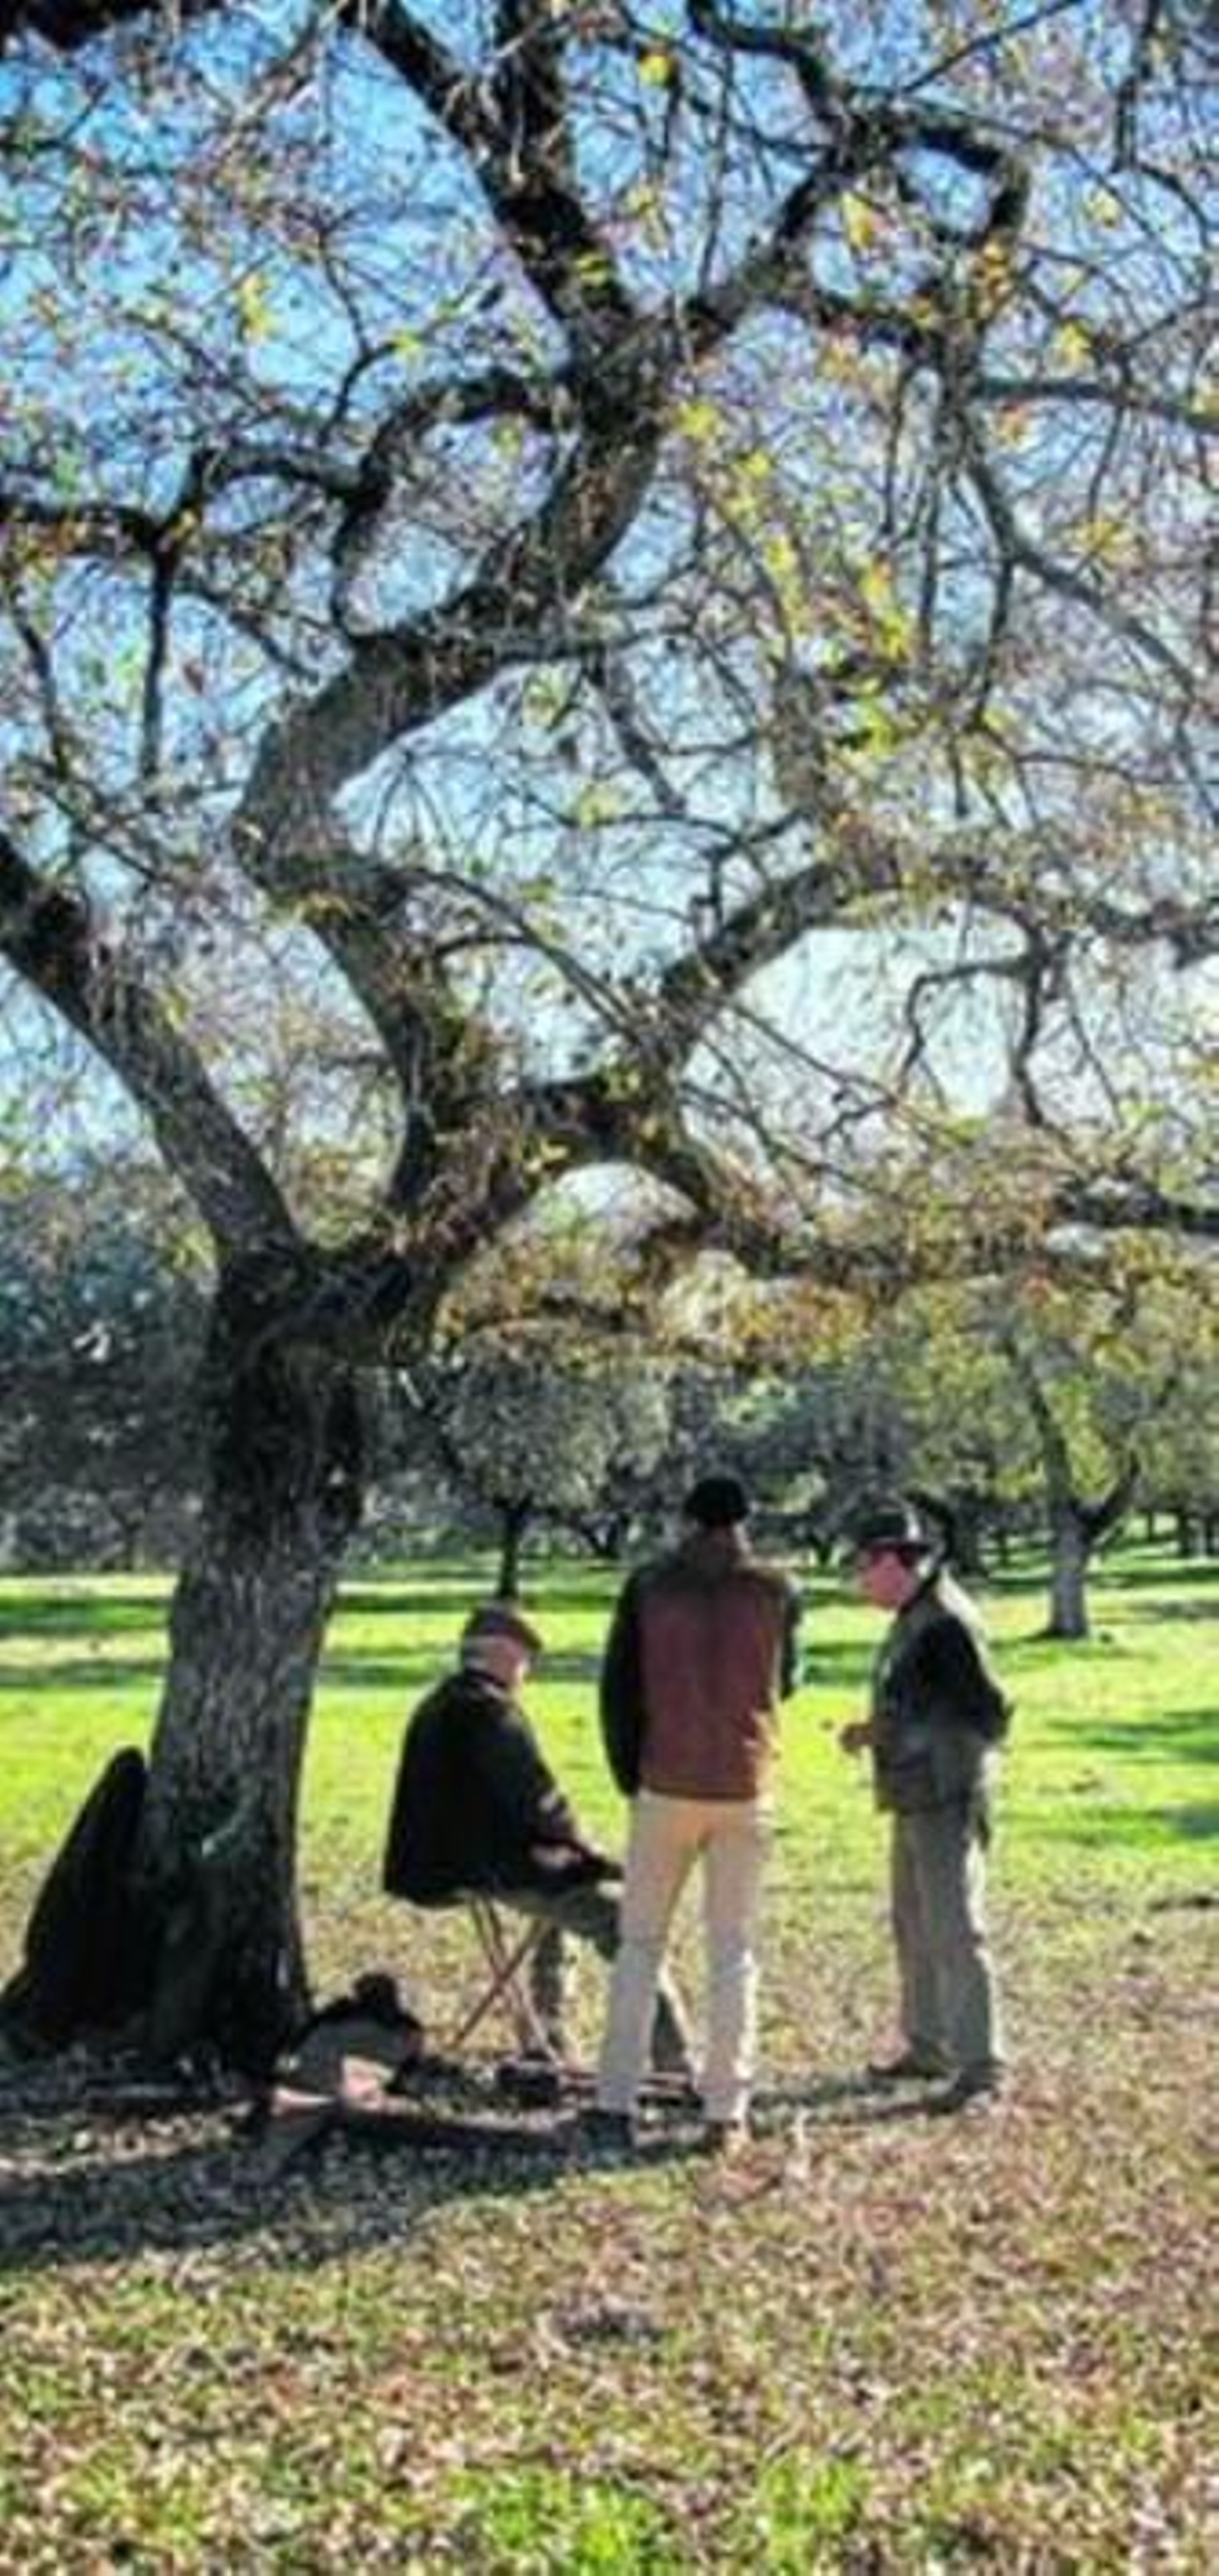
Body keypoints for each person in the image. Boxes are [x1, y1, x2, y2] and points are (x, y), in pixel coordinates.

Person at [382, 1600, 690, 2072]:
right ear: (504, 1654)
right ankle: (676, 2061)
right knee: (629, 1922)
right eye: (525, 1660)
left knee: (566, 1891)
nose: (527, 1672)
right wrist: (591, 1853)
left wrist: (569, 1854)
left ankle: (549, 2034)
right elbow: (540, 1801)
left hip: (441, 1862)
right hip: (488, 1867)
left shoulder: (441, 1701)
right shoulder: (490, 1712)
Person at [592, 1473, 802, 2149]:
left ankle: (615, 2100)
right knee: (732, 1949)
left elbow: (618, 1689)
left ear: (688, 1518)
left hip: (666, 1779)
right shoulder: (777, 1589)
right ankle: (725, 2110)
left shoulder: (650, 1585)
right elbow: (787, 1678)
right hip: (745, 1783)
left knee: (639, 1945)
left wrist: (631, 1773)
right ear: (745, 1519)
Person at [839, 1499, 1011, 2113]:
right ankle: (929, 2045)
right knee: (913, 1923)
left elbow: (991, 1711)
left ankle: (982, 2068)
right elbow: (917, 1702)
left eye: (862, 1566)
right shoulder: (915, 1615)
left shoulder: (944, 1622)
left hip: (946, 1794)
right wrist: (878, 1732)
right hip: (915, 1792)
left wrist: (951, 1764)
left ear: (891, 1560)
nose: (858, 1580)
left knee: (957, 1929)